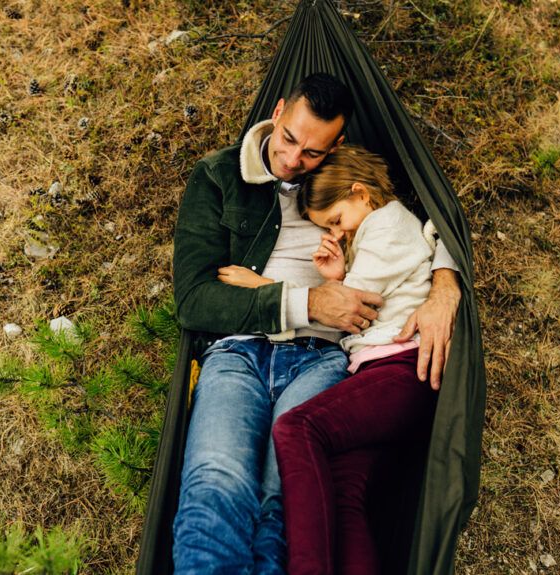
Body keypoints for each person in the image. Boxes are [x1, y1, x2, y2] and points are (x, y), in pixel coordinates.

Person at [172, 73, 461, 574]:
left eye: (311, 152)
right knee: (214, 486)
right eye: (289, 139)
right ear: (277, 112)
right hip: (238, 351)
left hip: (322, 358)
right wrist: (306, 302)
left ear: (337, 146)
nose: (292, 159)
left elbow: (434, 223)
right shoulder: (219, 175)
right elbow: (195, 299)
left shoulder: (344, 185)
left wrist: (446, 285)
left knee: (283, 498)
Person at [221, 145, 441, 574]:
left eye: (337, 221)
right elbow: (357, 297)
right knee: (342, 492)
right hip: (382, 372)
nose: (337, 234)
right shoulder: (374, 230)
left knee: (297, 427)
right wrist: (339, 277)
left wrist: (259, 286)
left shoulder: (387, 222)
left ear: (361, 192)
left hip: (398, 368)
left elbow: (348, 308)